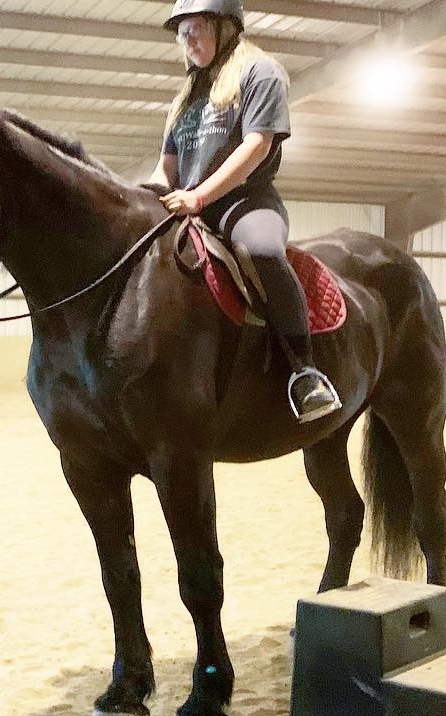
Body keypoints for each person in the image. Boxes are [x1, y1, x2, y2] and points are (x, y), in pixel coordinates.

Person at [149, 0, 342, 422]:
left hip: (244, 202)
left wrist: (199, 196)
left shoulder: (260, 72)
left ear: (225, 26)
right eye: (182, 32)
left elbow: (257, 146)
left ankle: (305, 372)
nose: (188, 39)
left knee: (262, 252)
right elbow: (167, 166)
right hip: (188, 207)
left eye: (196, 27)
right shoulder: (186, 97)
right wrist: (145, 201)